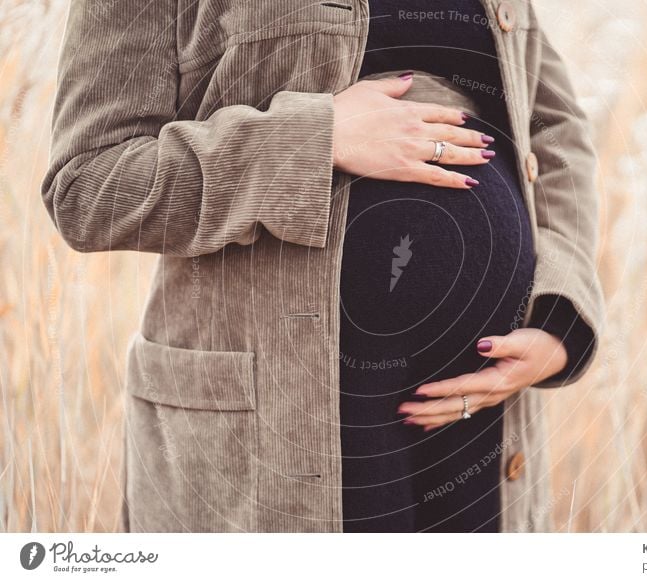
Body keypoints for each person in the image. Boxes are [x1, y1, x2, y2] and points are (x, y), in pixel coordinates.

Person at [41, 0, 605, 532]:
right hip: (275, 429)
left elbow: (553, 127)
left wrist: (560, 317)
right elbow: (89, 188)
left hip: (479, 417)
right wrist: (316, 138)